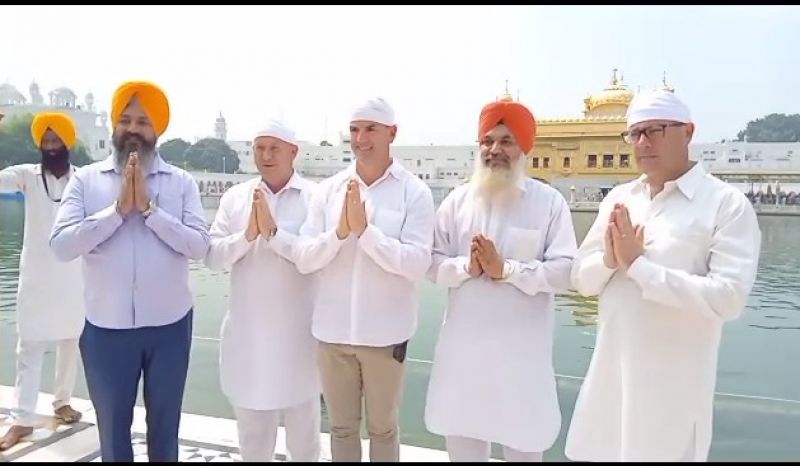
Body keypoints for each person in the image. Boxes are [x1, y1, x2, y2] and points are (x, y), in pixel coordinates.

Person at [565, 89, 762, 462]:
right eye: (635, 133)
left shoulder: (725, 204)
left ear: (687, 132)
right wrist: (609, 260)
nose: (642, 142)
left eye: (655, 130)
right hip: (611, 380)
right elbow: (582, 279)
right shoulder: (620, 198)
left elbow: (728, 298)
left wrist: (640, 267)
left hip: (673, 392)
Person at [50, 81, 210, 462]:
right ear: (114, 125)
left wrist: (153, 213)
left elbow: (201, 247)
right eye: (125, 120)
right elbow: (61, 246)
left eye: (143, 121)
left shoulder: (181, 183)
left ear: (158, 130)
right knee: (113, 437)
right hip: (107, 331)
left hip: (169, 328)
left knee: (165, 433)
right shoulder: (86, 181)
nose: (133, 129)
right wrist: (117, 212)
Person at [424, 99, 577, 462]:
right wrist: (466, 268)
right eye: (488, 141)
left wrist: (507, 271)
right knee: (463, 443)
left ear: (524, 147)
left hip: (520, 360)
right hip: (465, 356)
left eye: (506, 141)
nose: (495, 150)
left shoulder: (549, 203)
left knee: (523, 443)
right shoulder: (457, 202)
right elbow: (430, 264)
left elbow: (566, 271)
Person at [293, 97, 435, 462]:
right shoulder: (329, 190)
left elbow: (418, 262)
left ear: (392, 133)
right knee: (340, 428)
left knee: (383, 429)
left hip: (385, 337)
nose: (361, 139)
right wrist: (340, 233)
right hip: (332, 334)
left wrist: (367, 234)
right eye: (355, 130)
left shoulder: (413, 192)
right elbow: (304, 259)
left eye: (370, 129)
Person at [205, 120, 321, 462]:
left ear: (293, 152)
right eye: (260, 148)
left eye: (274, 149)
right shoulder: (236, 198)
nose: (266, 156)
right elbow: (211, 256)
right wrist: (248, 236)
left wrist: (274, 234)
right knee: (254, 438)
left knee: (304, 439)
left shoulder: (316, 198)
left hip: (300, 337)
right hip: (249, 337)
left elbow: (317, 257)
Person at [0, 112, 85, 450]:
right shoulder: (26, 176)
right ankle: (21, 419)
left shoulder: (83, 179)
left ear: (67, 143)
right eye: (45, 141)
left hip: (75, 276)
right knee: (30, 345)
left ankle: (62, 401)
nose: (50, 147)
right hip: (36, 276)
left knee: (71, 341)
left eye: (56, 140)